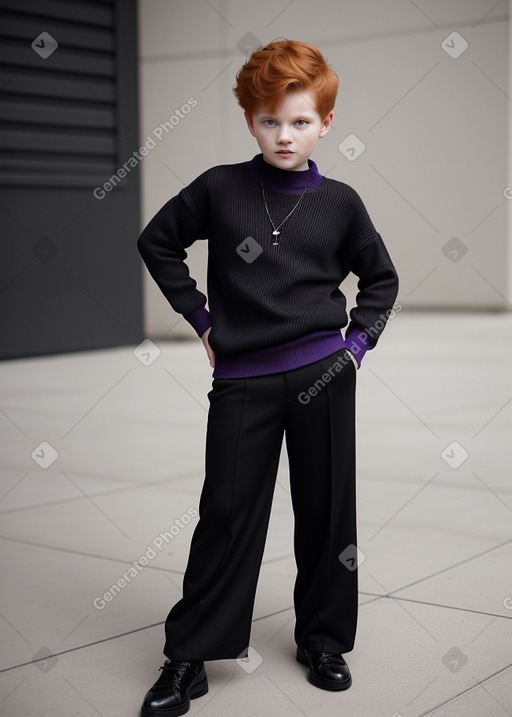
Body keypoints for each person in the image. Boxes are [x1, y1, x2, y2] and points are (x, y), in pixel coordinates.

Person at [137, 39, 399, 716]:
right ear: (250, 120)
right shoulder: (221, 187)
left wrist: (356, 346)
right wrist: (200, 318)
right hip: (244, 380)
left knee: (327, 511)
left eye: (301, 121)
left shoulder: (341, 202)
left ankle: (323, 639)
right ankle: (189, 656)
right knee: (225, 514)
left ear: (327, 123)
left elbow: (381, 277)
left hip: (322, 373)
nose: (285, 135)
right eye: (269, 120)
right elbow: (157, 240)